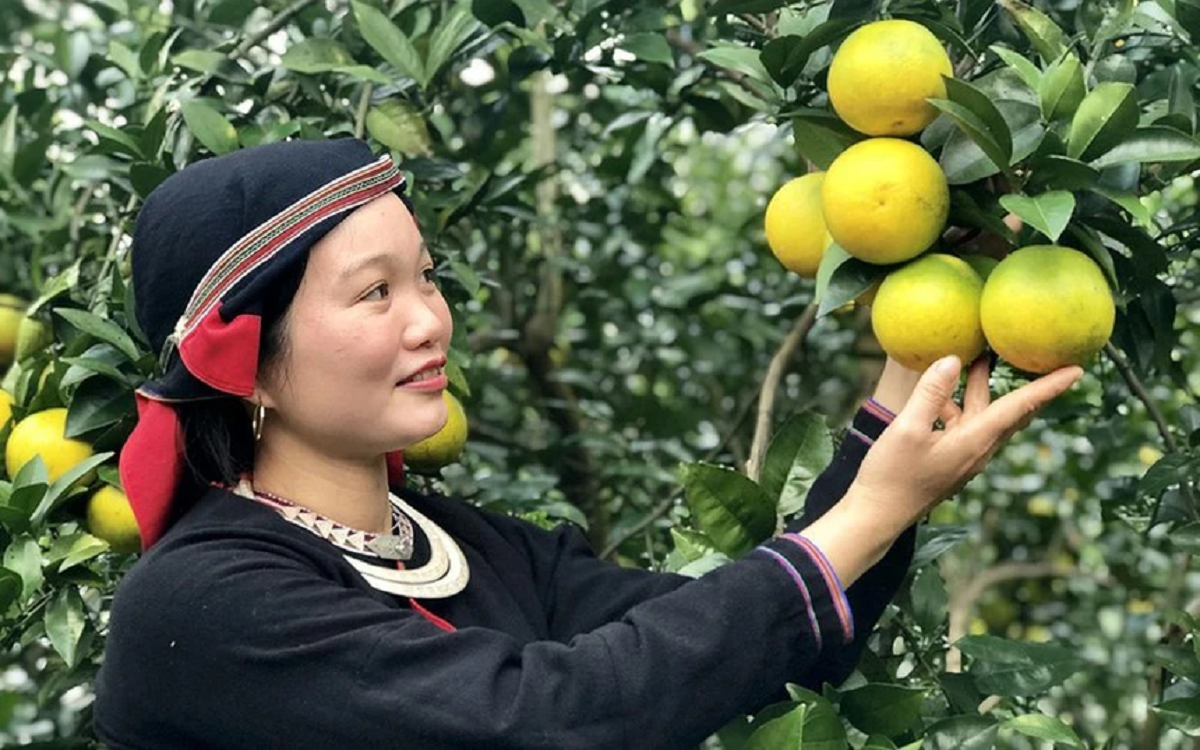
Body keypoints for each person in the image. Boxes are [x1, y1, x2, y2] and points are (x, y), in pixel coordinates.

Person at [92, 138, 1082, 749]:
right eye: (375, 292)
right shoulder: (205, 604)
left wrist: (907, 381)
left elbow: (756, 640)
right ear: (248, 364)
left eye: (425, 277)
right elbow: (550, 721)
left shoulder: (476, 548)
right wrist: (873, 508)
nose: (431, 320)